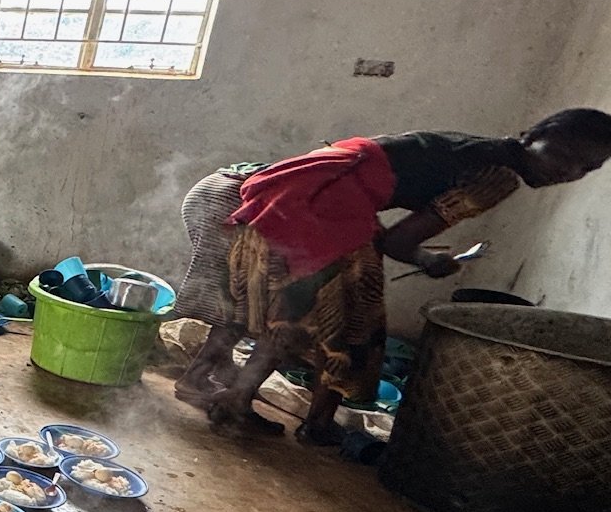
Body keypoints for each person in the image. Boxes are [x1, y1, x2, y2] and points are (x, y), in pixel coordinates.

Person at [173, 111, 611, 441]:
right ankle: (284, 415)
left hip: (235, 189)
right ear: (532, 136)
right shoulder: (495, 177)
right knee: (338, 315)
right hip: (290, 208)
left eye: (586, 169)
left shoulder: (470, 147)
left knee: (258, 303)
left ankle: (209, 384)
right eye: (564, 155)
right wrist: (430, 261)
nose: (568, 172)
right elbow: (399, 242)